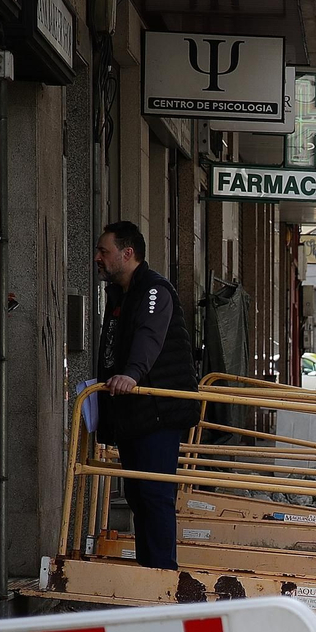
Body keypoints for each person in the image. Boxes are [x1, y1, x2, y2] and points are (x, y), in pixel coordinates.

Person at [93, 221, 200, 571]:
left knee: (155, 497)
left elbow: (149, 336)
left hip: (158, 412)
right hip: (133, 413)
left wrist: (132, 374)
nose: (98, 258)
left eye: (104, 251)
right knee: (139, 497)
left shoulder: (154, 290)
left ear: (128, 253)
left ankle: (162, 577)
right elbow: (113, 347)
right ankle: (149, 574)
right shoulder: (121, 294)